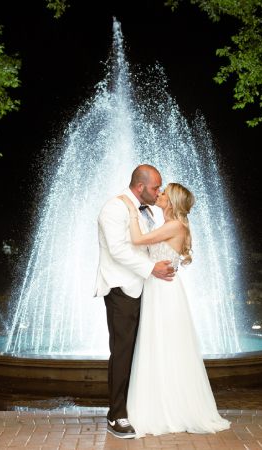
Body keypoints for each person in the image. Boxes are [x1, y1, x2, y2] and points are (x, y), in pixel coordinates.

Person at [119, 183, 231, 437]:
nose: (158, 194)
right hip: (159, 288)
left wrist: (132, 210)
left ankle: (167, 409)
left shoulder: (175, 226)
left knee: (163, 343)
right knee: (160, 344)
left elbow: (137, 240)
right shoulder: (170, 225)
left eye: (163, 193)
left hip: (164, 291)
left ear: (171, 202)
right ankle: (164, 403)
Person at [95, 164, 175, 439]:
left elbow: (149, 244)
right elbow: (117, 250)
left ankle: (138, 409)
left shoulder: (149, 211)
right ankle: (116, 415)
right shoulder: (114, 208)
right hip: (122, 290)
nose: (159, 192)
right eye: (155, 187)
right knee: (123, 352)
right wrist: (152, 269)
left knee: (144, 351)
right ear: (140, 187)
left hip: (147, 289)